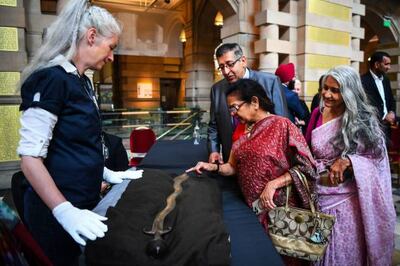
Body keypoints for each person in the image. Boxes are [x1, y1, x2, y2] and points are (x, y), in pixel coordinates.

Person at [16, 1, 143, 265]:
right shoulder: (50, 79)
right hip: (55, 211)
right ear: (91, 36)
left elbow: (79, 143)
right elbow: (30, 159)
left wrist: (107, 173)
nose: (111, 57)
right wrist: (64, 211)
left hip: (83, 202)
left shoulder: (83, 81)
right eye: (111, 47)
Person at [188, 79, 316, 264]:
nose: (232, 114)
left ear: (254, 102)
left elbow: (308, 167)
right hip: (253, 213)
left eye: (235, 107)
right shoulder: (243, 133)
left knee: (287, 260)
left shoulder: (282, 126)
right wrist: (212, 167)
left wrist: (274, 184)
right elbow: (232, 167)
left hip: (283, 214)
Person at [305, 65, 395, 265]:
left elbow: (377, 161)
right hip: (317, 198)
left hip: (346, 204)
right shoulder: (318, 113)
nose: (326, 94)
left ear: (348, 92)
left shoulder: (363, 120)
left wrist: (349, 161)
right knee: (316, 254)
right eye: (325, 87)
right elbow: (307, 152)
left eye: (334, 90)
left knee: (341, 255)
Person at [208, 43, 289, 163]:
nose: (226, 71)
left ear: (243, 61)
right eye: (221, 67)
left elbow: (282, 125)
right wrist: (213, 150)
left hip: (265, 162)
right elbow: (213, 126)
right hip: (230, 162)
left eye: (230, 65)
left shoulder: (270, 82)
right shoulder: (217, 90)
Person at [361, 51, 397, 142]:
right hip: (371, 128)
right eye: (386, 64)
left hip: (386, 128)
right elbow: (363, 106)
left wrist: (392, 112)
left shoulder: (386, 80)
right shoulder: (362, 81)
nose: (389, 67)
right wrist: (382, 118)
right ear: (377, 64)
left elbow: (391, 100)